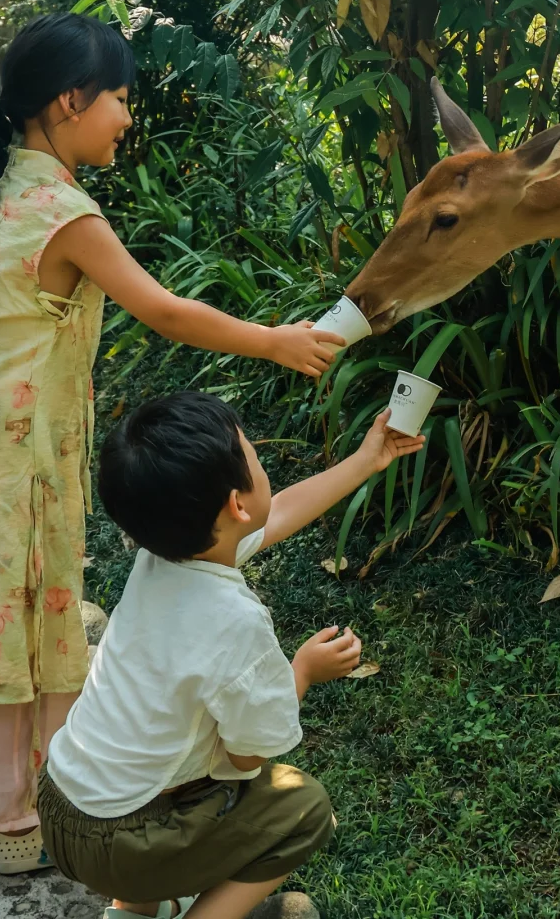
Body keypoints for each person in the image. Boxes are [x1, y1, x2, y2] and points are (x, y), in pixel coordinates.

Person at [0, 13, 344, 875]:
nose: (128, 117)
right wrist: (276, 339)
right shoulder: (62, 207)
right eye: (121, 99)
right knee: (15, 612)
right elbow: (165, 308)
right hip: (12, 457)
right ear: (69, 99)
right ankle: (14, 810)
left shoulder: (8, 190)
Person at [39, 391, 423, 919]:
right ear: (237, 506)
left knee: (167, 757)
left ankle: (132, 912)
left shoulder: (162, 556)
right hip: (122, 841)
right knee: (302, 808)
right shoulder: (235, 622)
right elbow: (248, 756)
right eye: (257, 458)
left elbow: (277, 512)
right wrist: (303, 671)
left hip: (62, 804)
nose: (265, 468)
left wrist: (366, 457)